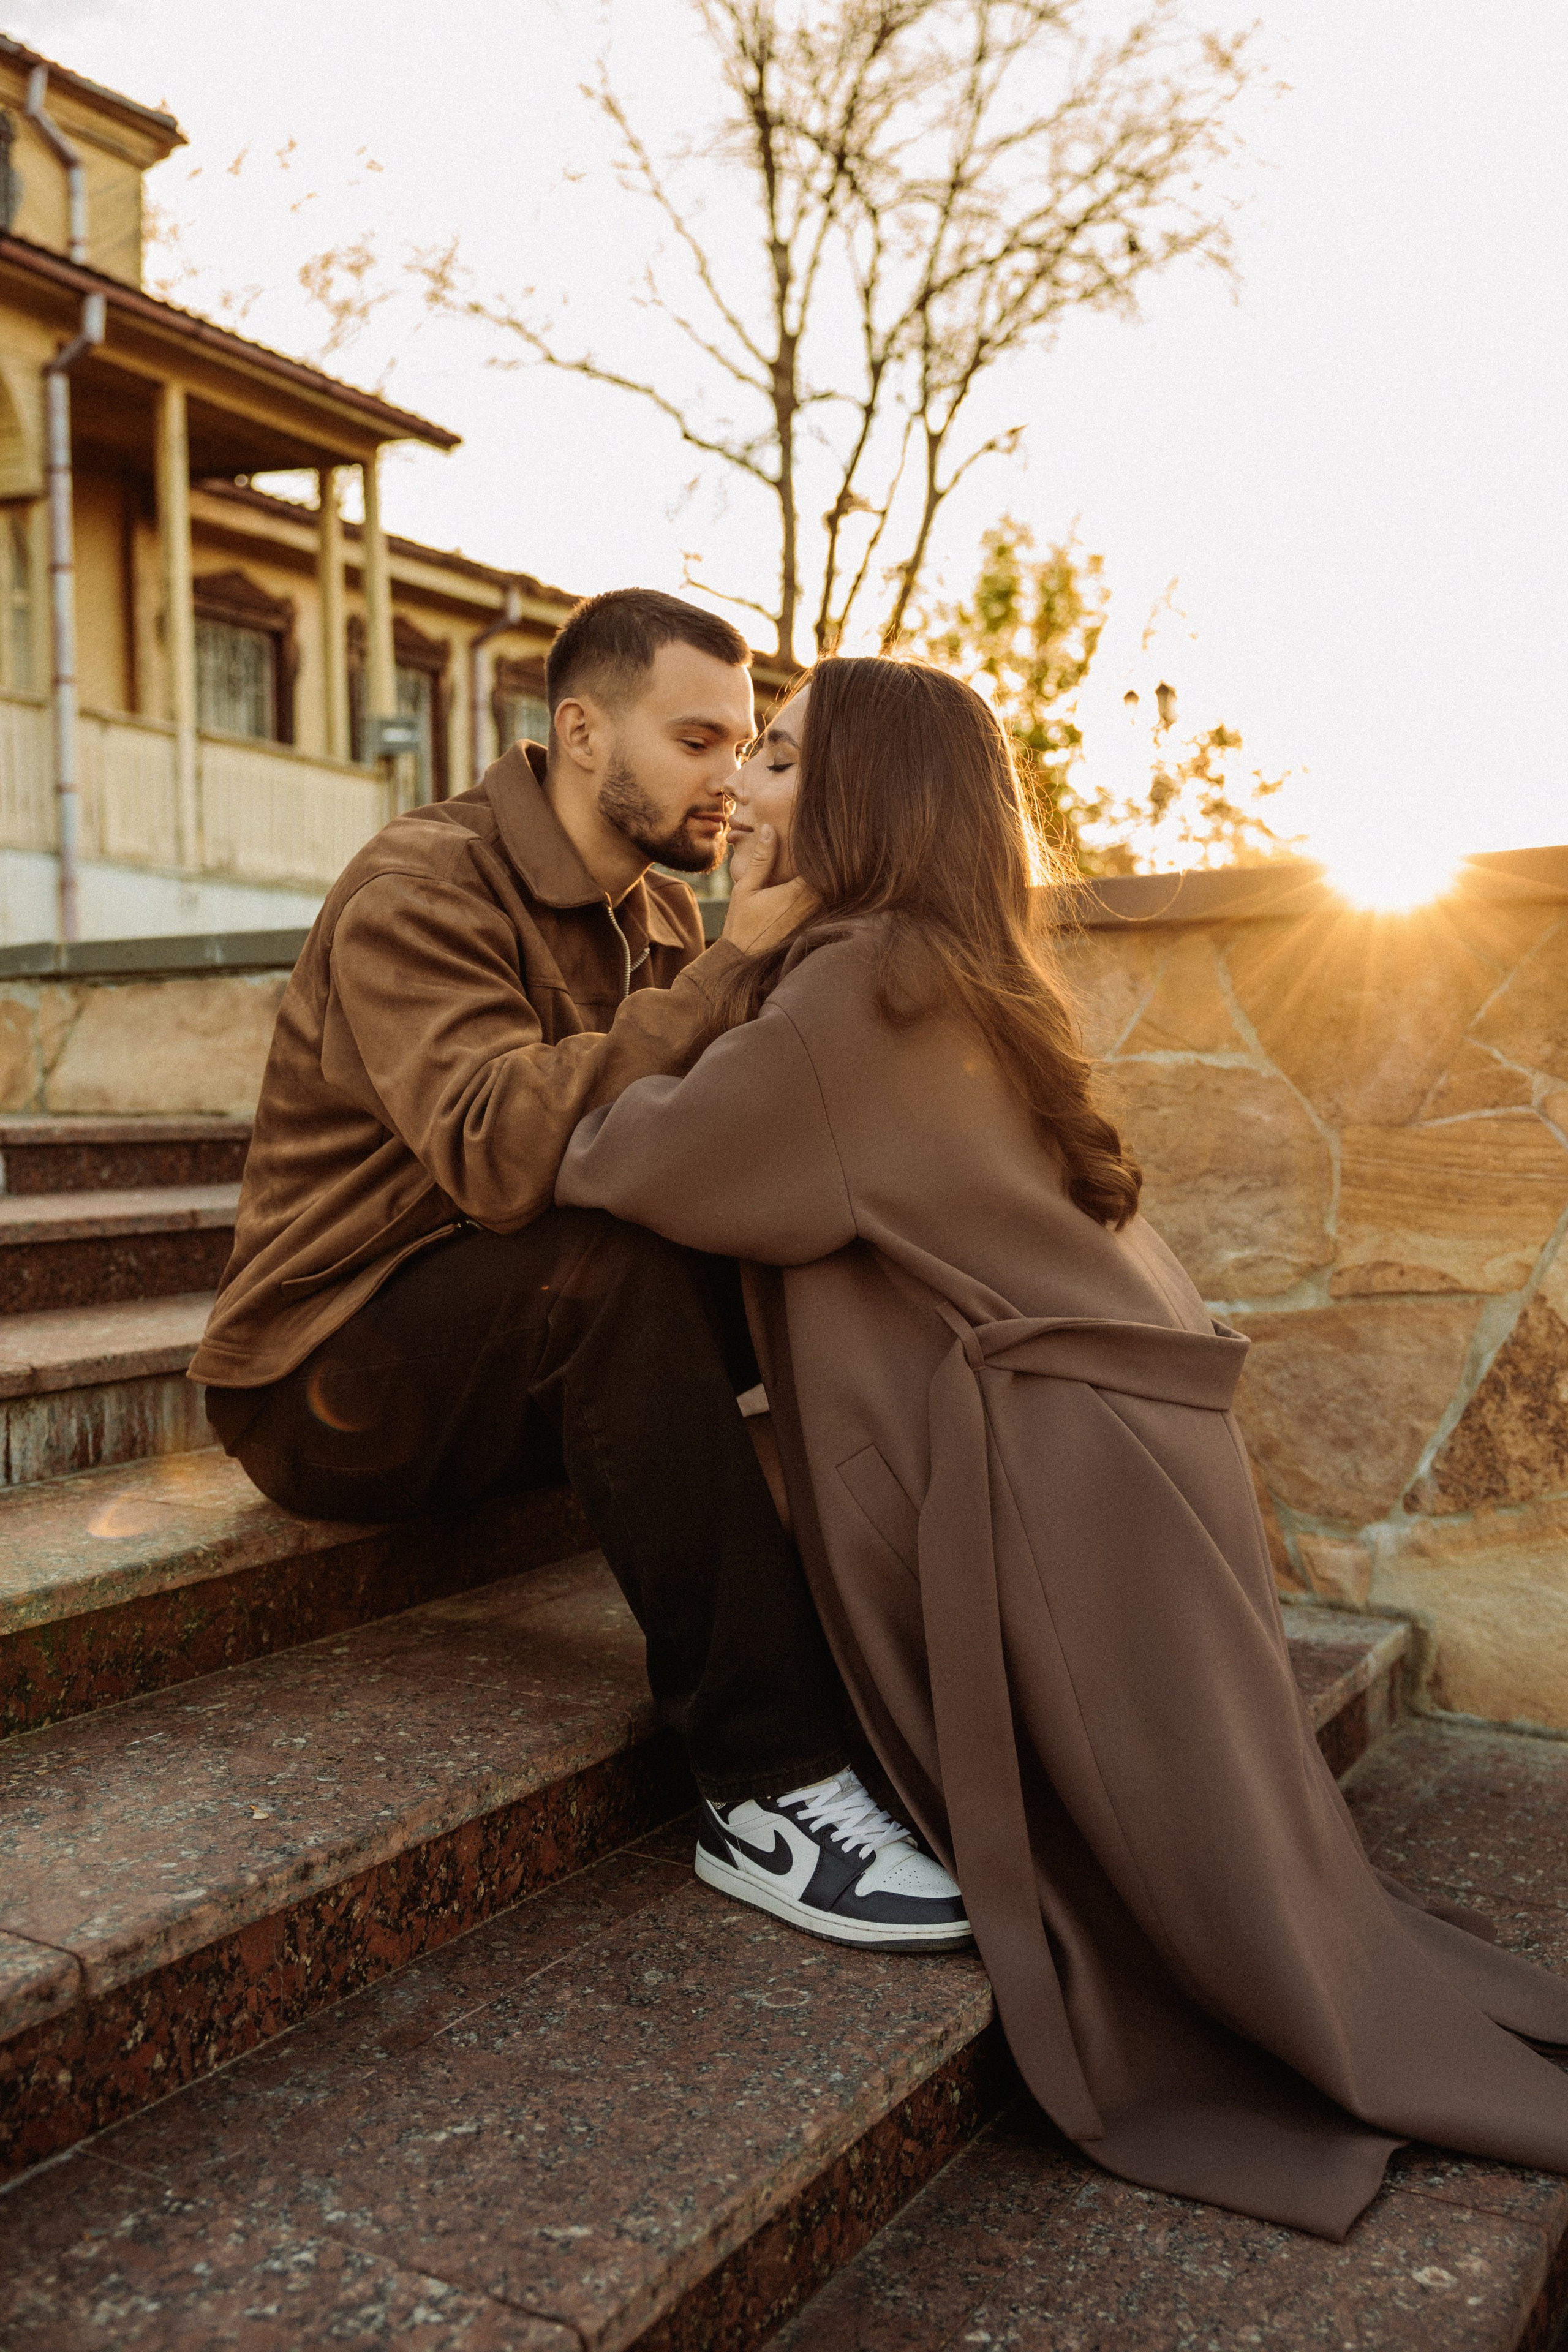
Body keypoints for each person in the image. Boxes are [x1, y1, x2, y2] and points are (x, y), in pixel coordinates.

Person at [555, 654, 1568, 2241]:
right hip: (1130, 1461)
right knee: (1248, 1906)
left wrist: (713, 973)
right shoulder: (953, 967)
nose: (741, 788)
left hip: (1053, 1492)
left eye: (777, 758)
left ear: (860, 796)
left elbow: (622, 1160)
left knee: (1190, 1957)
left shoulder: (847, 994)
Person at [191, 589, 970, 1953]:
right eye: (694, 740)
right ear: (578, 730)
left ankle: (922, 1672)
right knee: (597, 1271)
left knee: (820, 1249)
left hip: (507, 1356)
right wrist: (731, 967)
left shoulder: (663, 913)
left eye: (746, 744)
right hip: (327, 1378)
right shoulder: (420, 886)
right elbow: (497, 1154)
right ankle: (769, 1786)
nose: (732, 780)